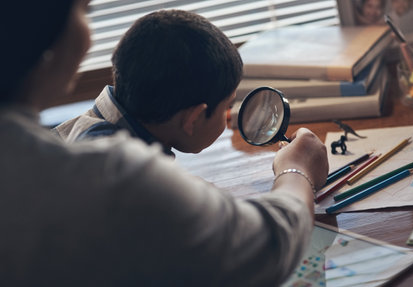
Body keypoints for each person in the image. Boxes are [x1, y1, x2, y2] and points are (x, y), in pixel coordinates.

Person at [0, 1, 328, 286]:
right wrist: (297, 170)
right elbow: (270, 247)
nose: (87, 35)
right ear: (193, 118)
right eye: (83, 9)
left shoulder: (77, 132)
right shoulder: (114, 178)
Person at [54, 10, 242, 156]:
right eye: (228, 106)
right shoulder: (119, 166)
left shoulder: (85, 131)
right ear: (193, 119)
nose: (228, 116)